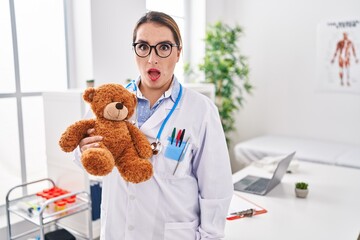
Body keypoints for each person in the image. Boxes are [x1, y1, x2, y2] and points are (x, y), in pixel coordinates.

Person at [75, 11, 233, 240]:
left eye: (164, 47)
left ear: (178, 53)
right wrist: (84, 151)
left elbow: (215, 188)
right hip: (118, 230)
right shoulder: (107, 101)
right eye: (143, 47)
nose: (152, 58)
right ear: (134, 51)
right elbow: (87, 162)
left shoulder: (201, 110)